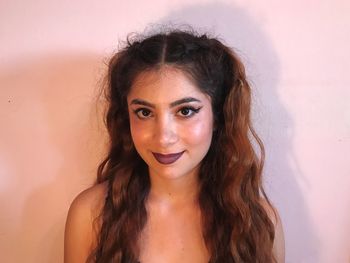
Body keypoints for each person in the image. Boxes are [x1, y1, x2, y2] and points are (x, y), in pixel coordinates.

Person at [64, 28, 285, 263]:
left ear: (218, 116)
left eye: (185, 111)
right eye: (144, 112)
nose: (163, 138)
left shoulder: (259, 223)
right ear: (126, 117)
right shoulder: (90, 214)